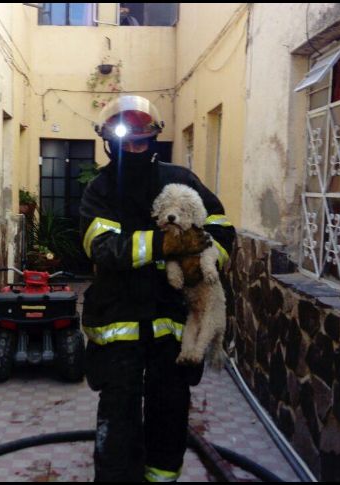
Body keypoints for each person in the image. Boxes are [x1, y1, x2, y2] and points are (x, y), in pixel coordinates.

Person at [79, 95, 236, 482]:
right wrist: (165, 245)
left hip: (172, 321)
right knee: (119, 412)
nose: (133, 149)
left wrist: (203, 262)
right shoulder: (99, 191)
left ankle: (161, 478)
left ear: (153, 141)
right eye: (125, 142)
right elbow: (102, 248)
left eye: (140, 141)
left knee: (170, 408)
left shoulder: (180, 180)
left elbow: (220, 227)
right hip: (118, 320)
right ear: (110, 144)